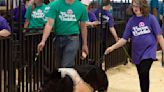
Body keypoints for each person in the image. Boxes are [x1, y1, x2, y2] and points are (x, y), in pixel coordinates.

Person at [104, 0, 164, 92]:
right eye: (134, 6)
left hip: (149, 50)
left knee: (144, 71)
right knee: (141, 75)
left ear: (143, 6)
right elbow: (124, 39)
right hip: (136, 52)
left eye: (137, 6)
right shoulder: (131, 21)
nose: (135, 8)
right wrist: (112, 47)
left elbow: (159, 36)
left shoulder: (151, 18)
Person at [37, 0, 88, 68]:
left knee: (66, 65)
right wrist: (43, 41)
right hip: (58, 37)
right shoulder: (55, 4)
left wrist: (85, 44)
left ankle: (66, 76)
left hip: (73, 38)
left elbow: (83, 27)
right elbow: (49, 24)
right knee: (58, 66)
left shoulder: (81, 7)